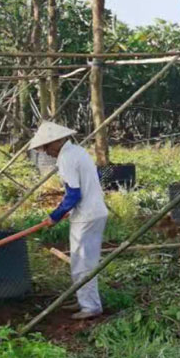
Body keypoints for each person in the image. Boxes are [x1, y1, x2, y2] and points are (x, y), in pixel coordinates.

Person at [29, 122, 109, 320]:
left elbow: (73, 194)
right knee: (79, 261)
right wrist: (65, 211)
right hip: (89, 212)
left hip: (87, 216)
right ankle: (83, 299)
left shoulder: (66, 158)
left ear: (57, 142)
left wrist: (55, 216)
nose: (45, 152)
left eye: (47, 147)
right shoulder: (77, 151)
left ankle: (90, 307)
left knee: (84, 264)